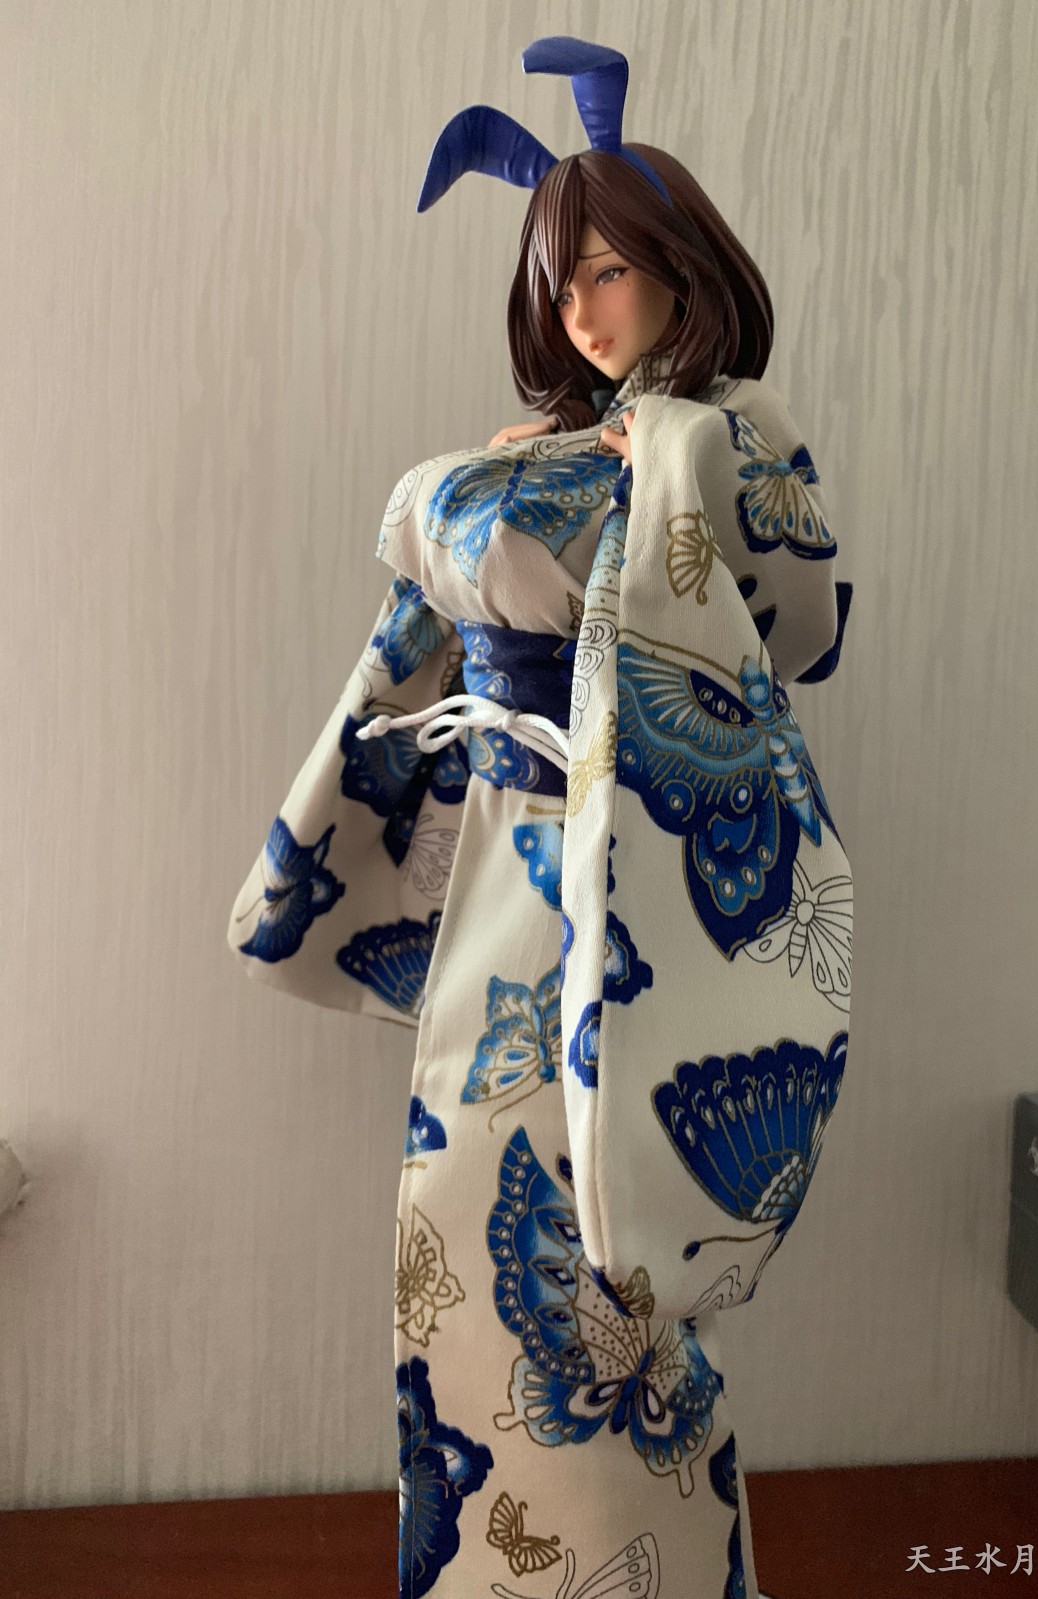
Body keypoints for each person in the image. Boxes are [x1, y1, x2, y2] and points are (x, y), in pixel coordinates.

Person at [228, 36, 853, 1599]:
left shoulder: (732, 436)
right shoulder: (562, 452)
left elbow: (802, 621)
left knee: (617, 1243)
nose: (583, 305)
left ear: (684, 268)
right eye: (560, 278)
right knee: (470, 1211)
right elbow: (429, 567)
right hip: (509, 870)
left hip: (635, 884)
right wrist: (560, 472)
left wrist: (671, 462)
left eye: (610, 269)